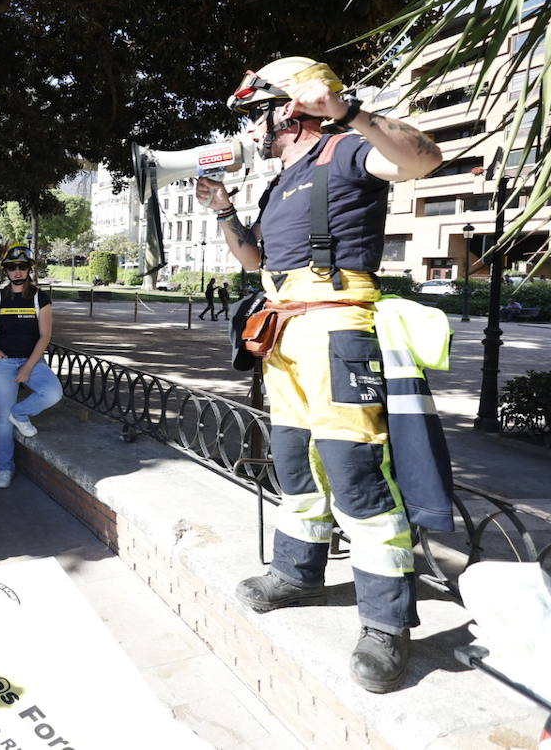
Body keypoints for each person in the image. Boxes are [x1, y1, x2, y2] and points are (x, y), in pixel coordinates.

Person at [198, 55, 443, 693]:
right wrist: (225, 209)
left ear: (292, 106)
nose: (252, 129)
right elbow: (257, 259)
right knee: (295, 464)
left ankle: (386, 623)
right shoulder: (282, 180)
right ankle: (297, 574)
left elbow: (424, 160)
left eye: (258, 113)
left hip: (337, 331)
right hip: (284, 333)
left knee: (356, 473)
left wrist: (351, 110)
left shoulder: (347, 150)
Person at [0, 245, 62, 490]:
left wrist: (27, 367)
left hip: (32, 360)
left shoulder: (40, 298)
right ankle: (5, 468)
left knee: (53, 393)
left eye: (22, 267)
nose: (17, 272)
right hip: (3, 363)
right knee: (2, 420)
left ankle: (21, 413)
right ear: (6, 270)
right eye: (12, 267)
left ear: (29, 270)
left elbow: (45, 336)